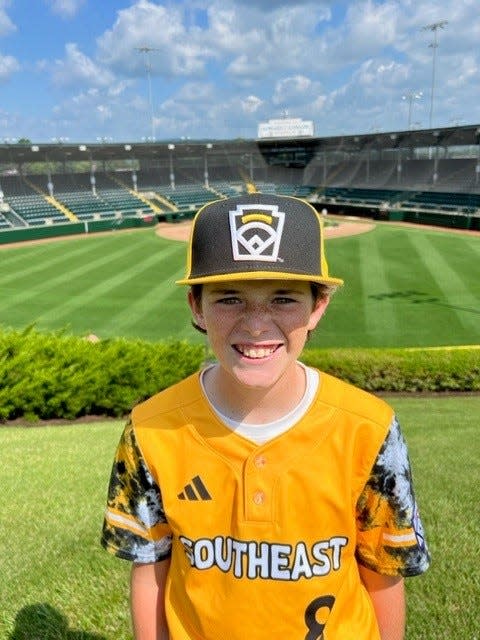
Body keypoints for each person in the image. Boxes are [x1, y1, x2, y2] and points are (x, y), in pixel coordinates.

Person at [101, 194, 430, 640]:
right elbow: (150, 570)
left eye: (282, 299)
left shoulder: (368, 427)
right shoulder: (151, 427)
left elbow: (382, 574)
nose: (256, 325)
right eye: (230, 298)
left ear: (318, 306)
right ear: (196, 306)